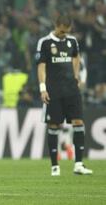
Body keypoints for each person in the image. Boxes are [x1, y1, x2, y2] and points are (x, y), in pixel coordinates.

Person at [36, 14, 93, 176]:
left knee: (78, 122)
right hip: (53, 90)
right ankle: (55, 166)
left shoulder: (72, 41)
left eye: (66, 31)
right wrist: (42, 88)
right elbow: (41, 66)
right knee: (54, 125)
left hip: (71, 90)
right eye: (61, 31)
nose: (64, 34)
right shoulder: (45, 42)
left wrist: (77, 76)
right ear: (56, 25)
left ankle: (79, 164)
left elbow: (76, 57)